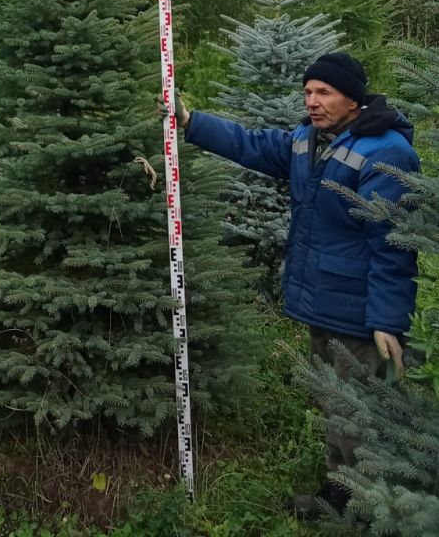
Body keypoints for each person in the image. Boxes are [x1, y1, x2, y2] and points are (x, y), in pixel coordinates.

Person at [174, 51, 419, 518]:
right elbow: (252, 144)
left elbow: (393, 246)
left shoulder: (386, 152)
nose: (312, 100)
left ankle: (374, 509)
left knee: (361, 412)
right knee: (335, 405)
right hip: (322, 302)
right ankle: (342, 494)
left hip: (360, 313)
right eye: (308, 91)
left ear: (353, 99)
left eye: (324, 92)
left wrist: (387, 321)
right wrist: (191, 122)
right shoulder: (310, 139)